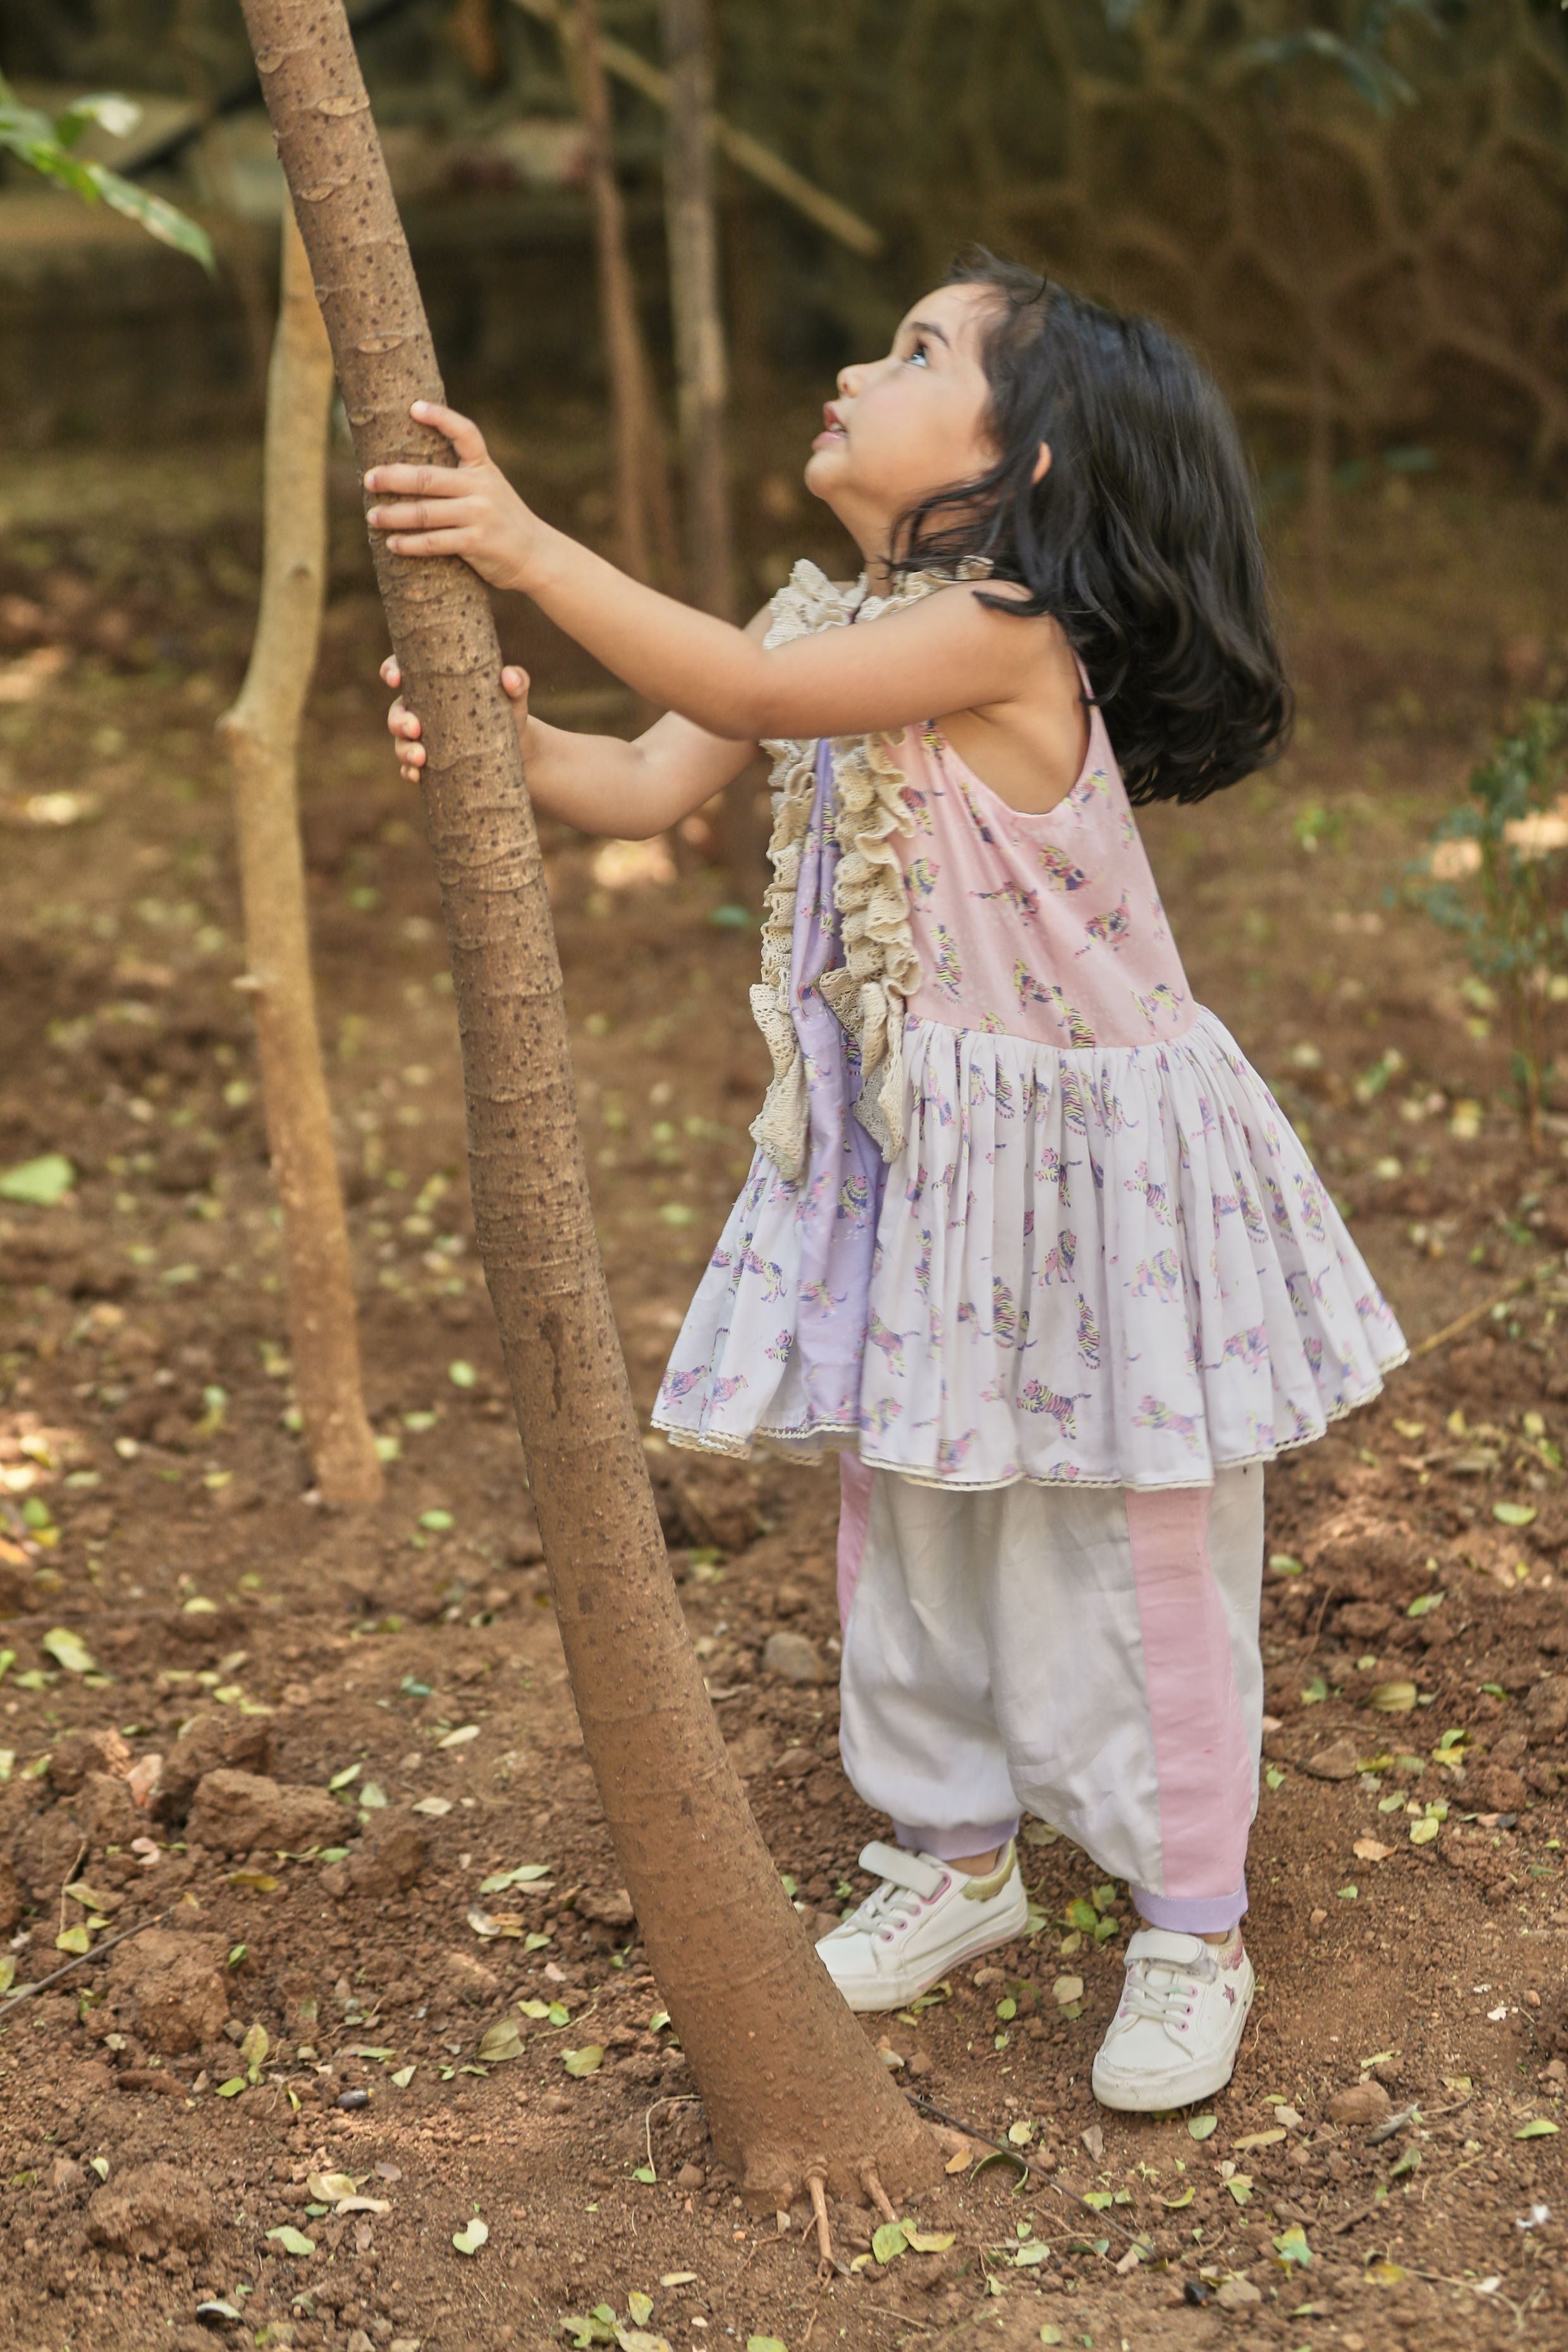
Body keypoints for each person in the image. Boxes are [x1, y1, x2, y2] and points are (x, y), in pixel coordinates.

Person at [373, 252, 1407, 2112]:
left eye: (920, 350)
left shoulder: (996, 631)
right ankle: (953, 1861)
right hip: (937, 1178)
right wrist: (502, 736)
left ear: (1024, 469)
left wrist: (528, 546)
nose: (858, 361)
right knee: (909, 1510)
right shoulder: (835, 624)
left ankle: (1192, 1922)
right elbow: (637, 776)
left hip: (1097, 1180)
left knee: (1136, 1540)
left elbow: (738, 688)